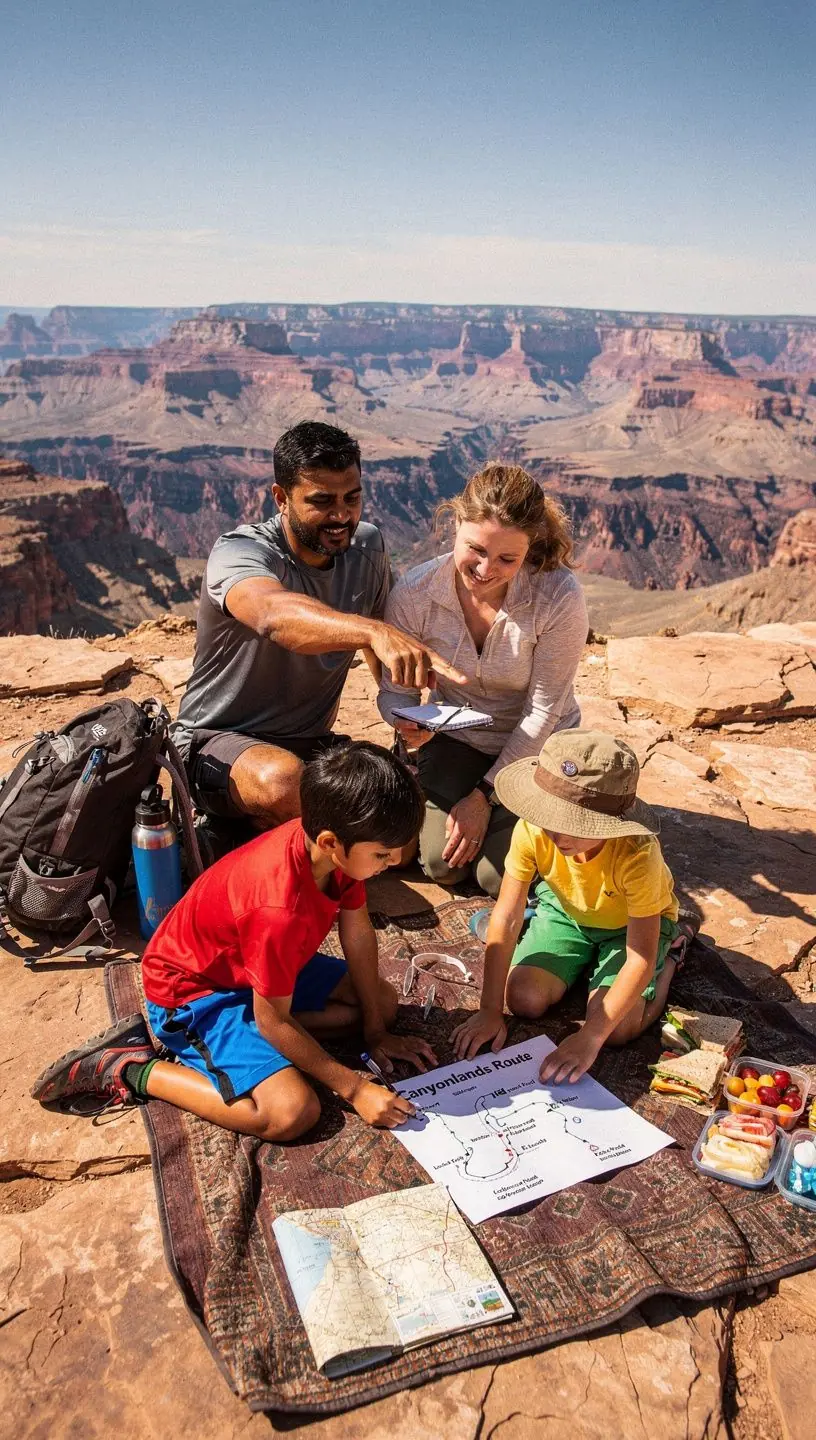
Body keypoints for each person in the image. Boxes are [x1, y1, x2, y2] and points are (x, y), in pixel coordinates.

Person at [32, 743, 436, 1139]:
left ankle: (259, 1041)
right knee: (291, 1112)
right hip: (192, 993)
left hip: (251, 971)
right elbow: (274, 1019)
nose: (395, 862)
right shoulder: (277, 908)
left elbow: (358, 933)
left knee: (379, 1004)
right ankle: (133, 1067)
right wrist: (355, 1088)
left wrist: (376, 1032)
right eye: (383, 854)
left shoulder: (330, 847)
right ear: (331, 843)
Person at [173, 420, 464, 830]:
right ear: (281, 498)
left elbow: (385, 650)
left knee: (399, 820)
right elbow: (275, 616)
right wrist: (372, 632)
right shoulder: (239, 552)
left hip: (312, 747)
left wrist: (404, 719)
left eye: (353, 498)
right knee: (282, 783)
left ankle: (268, 832)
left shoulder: (367, 545)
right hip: (214, 744)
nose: (341, 515)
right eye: (322, 501)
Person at [377, 463, 587, 897]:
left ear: (531, 548)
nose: (486, 569)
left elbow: (544, 709)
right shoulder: (415, 595)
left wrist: (483, 797)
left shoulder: (557, 596)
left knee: (497, 877)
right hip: (460, 738)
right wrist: (403, 720)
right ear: (456, 524)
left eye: (508, 558)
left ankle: (566, 809)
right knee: (442, 864)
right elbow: (393, 693)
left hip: (537, 746)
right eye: (475, 549)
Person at [450, 730, 681, 1084]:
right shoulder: (531, 830)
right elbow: (507, 916)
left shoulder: (639, 856)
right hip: (566, 912)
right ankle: (582, 967)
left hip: (628, 930)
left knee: (617, 1031)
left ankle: (673, 957)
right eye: (551, 820)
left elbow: (639, 957)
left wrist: (590, 1036)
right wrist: (489, 1010)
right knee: (524, 1000)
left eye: (574, 826)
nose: (558, 837)